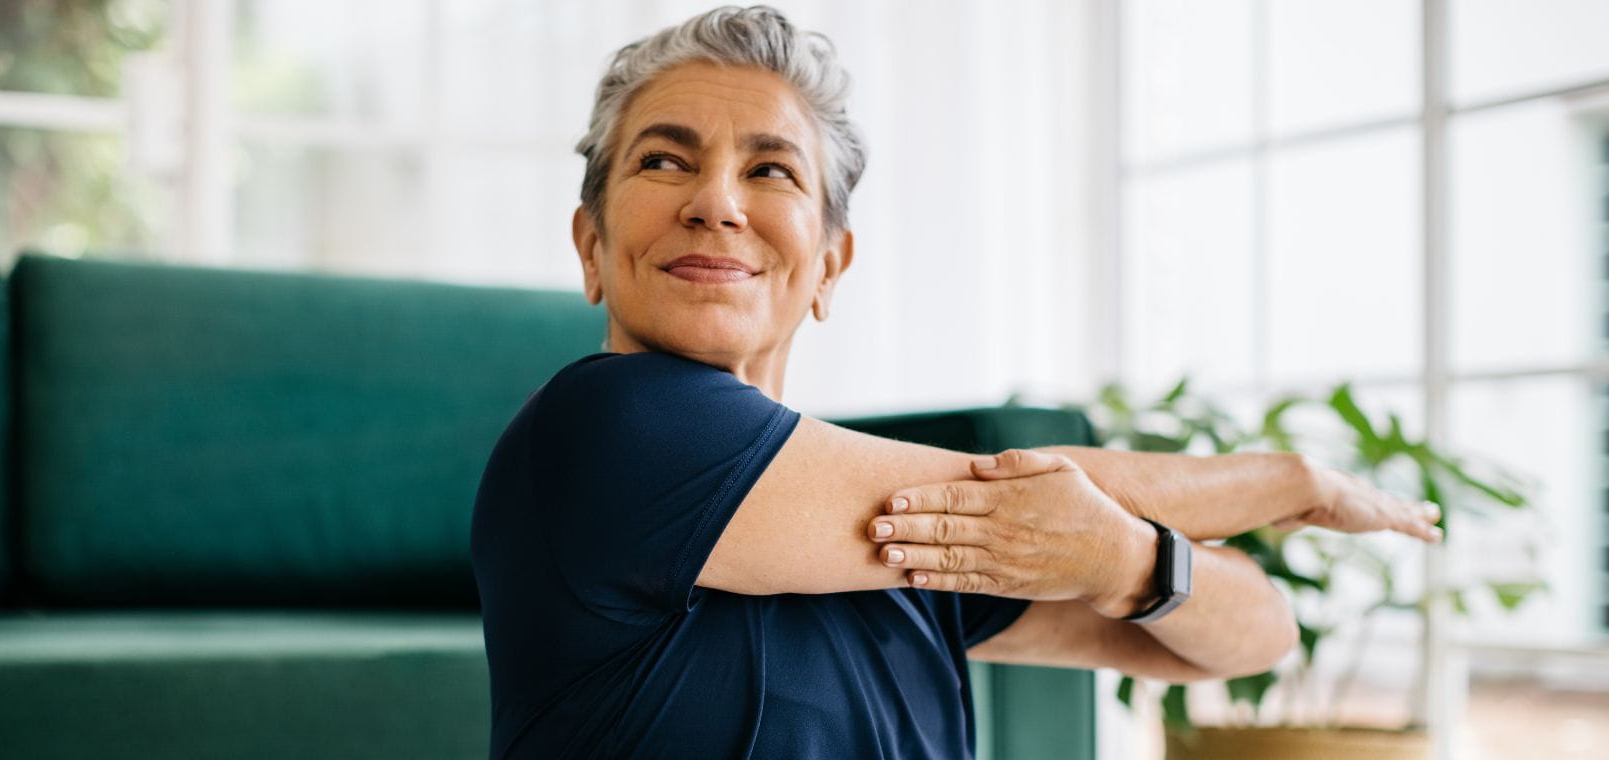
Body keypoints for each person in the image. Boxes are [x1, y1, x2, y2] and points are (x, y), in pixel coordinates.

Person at [468, 6, 1443, 758]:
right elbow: (998, 492)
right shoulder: (598, 428)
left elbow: (1251, 635)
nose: (715, 202)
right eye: (663, 159)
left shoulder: (900, 533)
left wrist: (1129, 564)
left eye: (770, 171)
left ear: (828, 268)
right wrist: (1288, 483)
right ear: (591, 247)